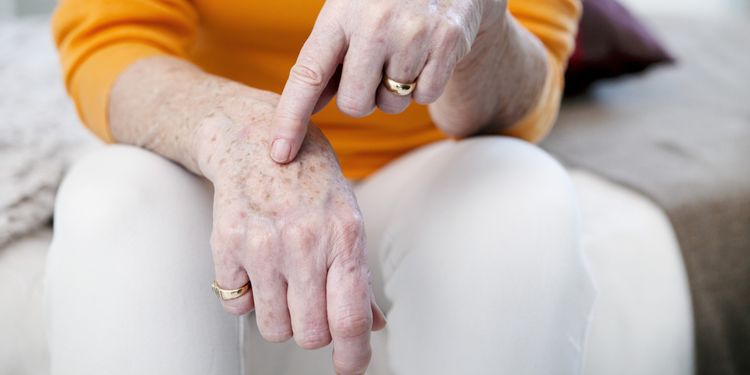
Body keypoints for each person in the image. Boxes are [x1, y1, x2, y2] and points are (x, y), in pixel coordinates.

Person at [47, 0, 596, 374]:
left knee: (522, 193)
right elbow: (110, 41)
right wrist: (248, 140)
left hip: (426, 170)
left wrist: (477, 12)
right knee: (114, 196)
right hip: (207, 172)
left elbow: (527, 102)